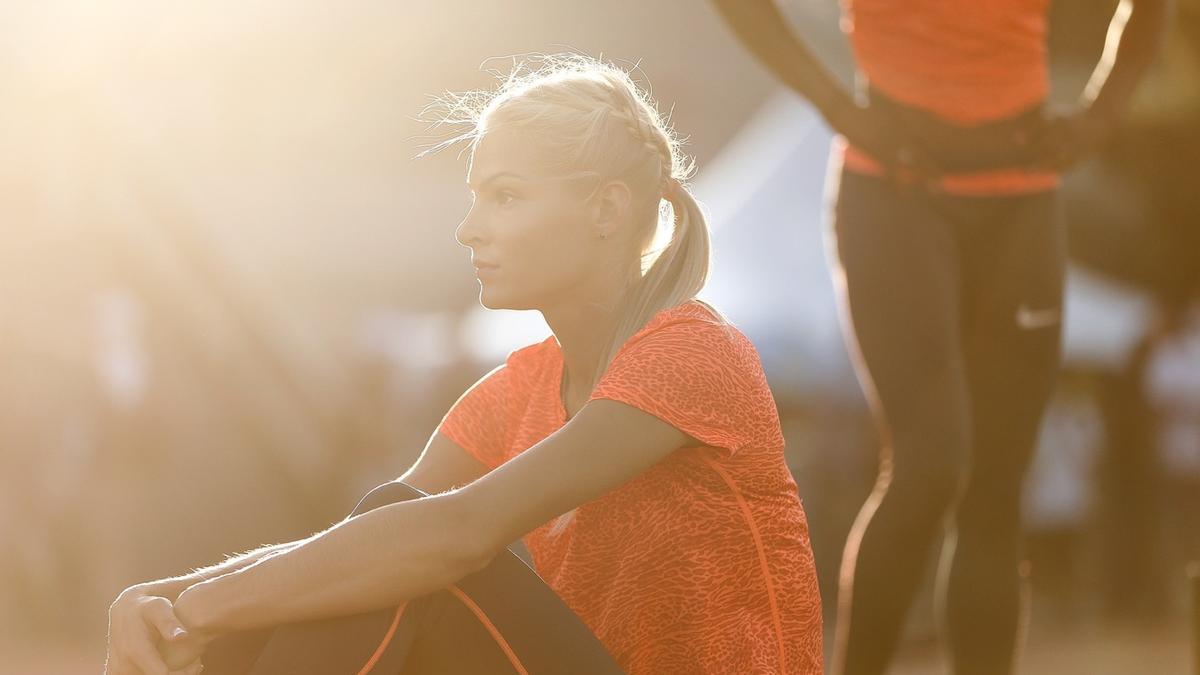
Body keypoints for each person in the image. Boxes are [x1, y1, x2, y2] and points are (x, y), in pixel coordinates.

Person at [104, 54, 824, 675]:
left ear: (606, 209)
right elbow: (359, 542)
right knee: (381, 535)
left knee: (416, 556)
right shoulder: (518, 388)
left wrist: (196, 609)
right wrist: (164, 595)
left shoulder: (692, 354)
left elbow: (454, 535)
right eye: (476, 197)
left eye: (505, 196)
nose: (469, 228)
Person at [711, 1, 1169, 673]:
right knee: (931, 464)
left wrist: (1100, 116)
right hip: (897, 191)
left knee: (996, 484)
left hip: (1021, 196)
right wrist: (836, 104)